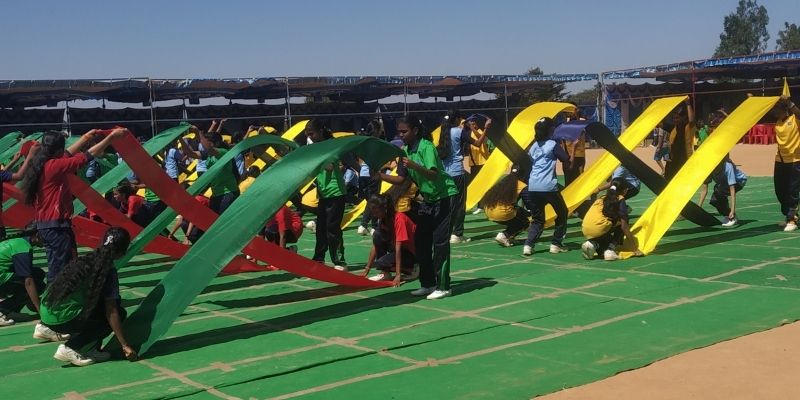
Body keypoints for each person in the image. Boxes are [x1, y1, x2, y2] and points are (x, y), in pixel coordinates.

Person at [20, 129, 123, 283]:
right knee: (59, 269)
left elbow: (68, 153)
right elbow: (87, 156)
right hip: (56, 226)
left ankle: (58, 293)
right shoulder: (54, 166)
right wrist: (111, 138)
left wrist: (86, 137)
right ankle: (54, 296)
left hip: (49, 225)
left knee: (62, 264)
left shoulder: (44, 163)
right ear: (58, 150)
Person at [377, 116, 458, 300]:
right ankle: (428, 284)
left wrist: (415, 165)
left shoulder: (426, 147)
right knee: (421, 242)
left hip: (445, 196)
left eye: (404, 131)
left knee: (440, 243)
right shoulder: (405, 151)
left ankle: (444, 286)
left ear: (415, 131)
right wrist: (380, 176)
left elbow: (433, 174)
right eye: (399, 131)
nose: (401, 135)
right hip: (428, 200)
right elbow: (401, 179)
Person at [39, 227, 137, 366]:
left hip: (47, 315)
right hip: (62, 319)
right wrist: (124, 344)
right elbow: (111, 311)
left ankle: (91, 349)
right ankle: (71, 347)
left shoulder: (85, 260)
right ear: (123, 251)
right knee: (117, 313)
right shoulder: (108, 271)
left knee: (98, 304)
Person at [521, 117, 570, 256]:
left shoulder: (534, 146)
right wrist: (565, 146)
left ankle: (528, 245)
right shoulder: (553, 144)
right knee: (562, 213)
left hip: (533, 186)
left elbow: (531, 162)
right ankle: (556, 243)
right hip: (548, 186)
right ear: (551, 130)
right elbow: (566, 159)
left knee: (537, 219)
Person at [437, 110, 486, 244]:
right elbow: (478, 143)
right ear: (457, 119)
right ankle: (457, 233)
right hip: (457, 173)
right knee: (459, 205)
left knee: (448, 204)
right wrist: (486, 128)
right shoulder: (458, 132)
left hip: (446, 174)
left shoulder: (443, 131)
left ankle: (446, 232)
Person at [306, 119, 347, 270]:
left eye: (312, 134)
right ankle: (318, 258)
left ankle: (339, 261)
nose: (310, 137)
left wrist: (315, 157)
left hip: (335, 192)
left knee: (332, 228)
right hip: (323, 194)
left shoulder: (331, 145)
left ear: (320, 131)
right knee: (321, 229)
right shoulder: (316, 147)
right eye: (308, 135)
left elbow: (329, 166)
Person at [181, 127, 240, 215]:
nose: (204, 145)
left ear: (217, 143)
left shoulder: (223, 152)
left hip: (228, 193)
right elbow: (190, 153)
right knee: (212, 220)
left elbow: (209, 149)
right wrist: (180, 139)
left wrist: (198, 132)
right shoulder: (209, 155)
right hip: (216, 194)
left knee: (221, 221)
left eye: (208, 142)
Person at [581, 178, 642, 261]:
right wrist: (635, 249)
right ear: (624, 191)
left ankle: (593, 244)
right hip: (599, 229)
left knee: (602, 251)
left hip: (586, 230)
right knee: (624, 221)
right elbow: (624, 227)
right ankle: (610, 250)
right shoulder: (620, 199)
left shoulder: (602, 198)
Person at [362, 194, 417, 285]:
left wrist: (398, 275)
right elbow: (376, 244)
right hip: (400, 249)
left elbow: (398, 248)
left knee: (381, 263)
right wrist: (367, 269)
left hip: (412, 252)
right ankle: (385, 273)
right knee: (377, 235)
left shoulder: (399, 219)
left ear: (385, 209)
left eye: (376, 212)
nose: (374, 215)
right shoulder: (383, 219)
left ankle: (414, 268)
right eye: (373, 212)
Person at [0, 225, 45, 326]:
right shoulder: (23, 248)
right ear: (37, 235)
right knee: (37, 284)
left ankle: (11, 310)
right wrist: (40, 310)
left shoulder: (18, 242)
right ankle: (3, 309)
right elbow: (28, 281)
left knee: (38, 273)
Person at [771, 95, 800, 231]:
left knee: (792, 191)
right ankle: (789, 214)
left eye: (777, 110)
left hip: (795, 160)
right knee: (780, 190)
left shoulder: (795, 119)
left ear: (784, 109)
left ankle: (791, 219)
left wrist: (789, 102)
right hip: (780, 160)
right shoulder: (778, 123)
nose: (775, 113)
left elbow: (798, 113)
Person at [479, 172, 529, 247]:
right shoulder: (521, 185)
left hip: (489, 211)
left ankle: (510, 237)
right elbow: (529, 203)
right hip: (501, 213)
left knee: (517, 216)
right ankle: (505, 235)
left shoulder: (503, 182)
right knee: (524, 221)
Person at [710, 156, 747, 227]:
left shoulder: (728, 166)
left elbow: (732, 189)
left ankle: (732, 217)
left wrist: (732, 210)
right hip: (725, 182)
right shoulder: (710, 167)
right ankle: (727, 215)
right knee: (714, 200)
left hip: (739, 181)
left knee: (719, 191)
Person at [664, 99, 696, 181]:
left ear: (683, 118)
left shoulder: (688, 128)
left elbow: (691, 120)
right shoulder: (673, 131)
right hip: (674, 162)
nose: (675, 120)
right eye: (674, 118)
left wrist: (688, 104)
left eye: (677, 118)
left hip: (685, 160)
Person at [467, 115, 492, 215]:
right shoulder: (469, 133)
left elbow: (481, 139)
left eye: (474, 124)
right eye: (471, 124)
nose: (473, 125)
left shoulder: (481, 131)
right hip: (474, 163)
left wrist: (472, 128)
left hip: (482, 162)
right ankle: (480, 205)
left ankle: (483, 205)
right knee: (476, 185)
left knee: (484, 184)